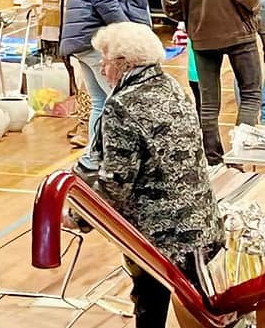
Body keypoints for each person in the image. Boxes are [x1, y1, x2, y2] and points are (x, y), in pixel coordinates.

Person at [79, 22, 222, 328]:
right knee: (204, 313)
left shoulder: (122, 105)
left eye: (104, 62)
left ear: (124, 64)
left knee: (150, 309)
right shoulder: (174, 87)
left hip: (161, 237)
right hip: (203, 224)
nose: (102, 71)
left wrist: (79, 217)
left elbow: (116, 183)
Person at [163, 0, 262, 165]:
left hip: (201, 35)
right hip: (239, 32)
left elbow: (169, 1)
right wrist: (249, 14)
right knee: (251, 94)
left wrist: (190, 18)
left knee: (208, 102)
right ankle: (240, 156)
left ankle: (213, 161)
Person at [61, 0, 154, 174]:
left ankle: (92, 160)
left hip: (86, 38)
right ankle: (111, 165)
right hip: (100, 41)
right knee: (120, 102)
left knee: (103, 102)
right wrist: (128, 35)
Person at [40, 0, 90, 146]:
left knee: (85, 77)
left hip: (83, 26)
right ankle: (81, 119)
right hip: (62, 25)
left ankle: (87, 126)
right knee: (72, 71)